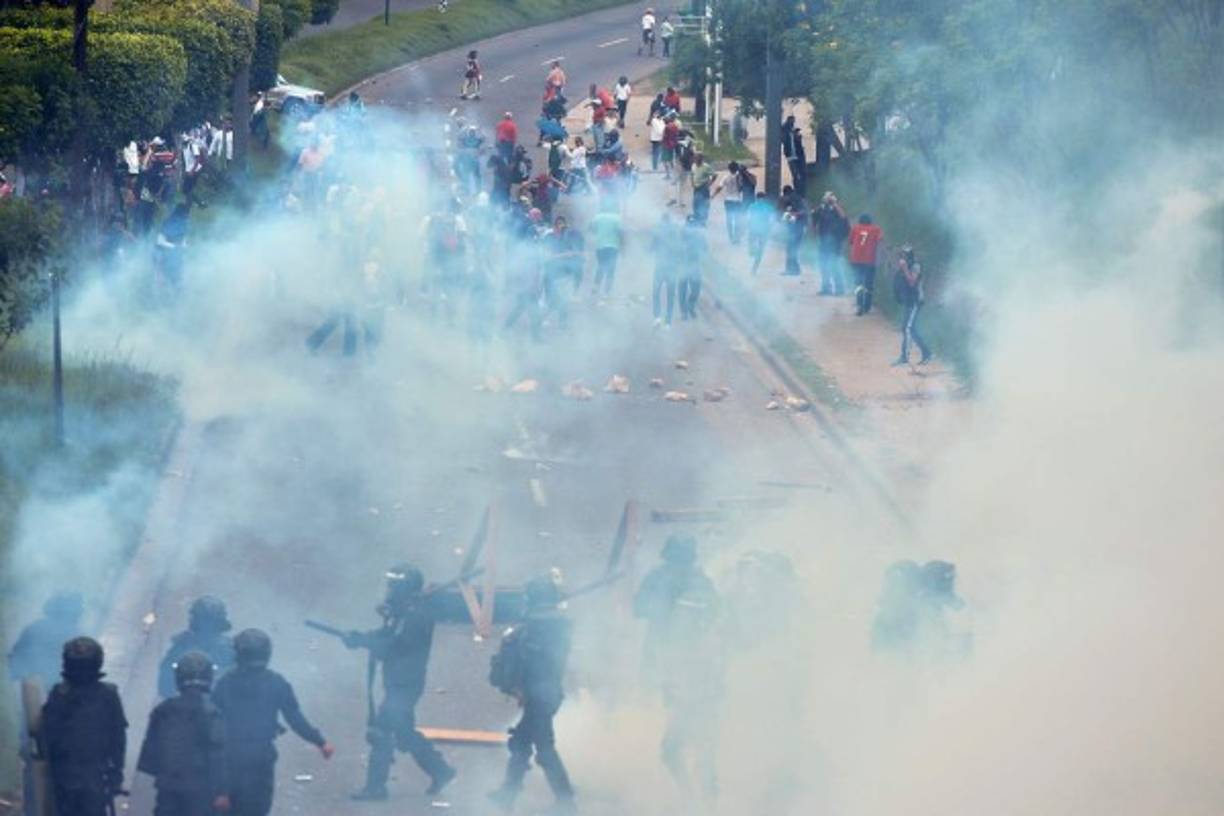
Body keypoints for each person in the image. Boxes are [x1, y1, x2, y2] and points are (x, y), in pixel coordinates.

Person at [345, 566, 457, 800]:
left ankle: (376, 788)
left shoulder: (416, 615)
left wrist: (364, 642)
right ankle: (441, 770)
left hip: (406, 683)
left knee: (381, 731)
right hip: (399, 680)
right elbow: (387, 635)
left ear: (404, 588)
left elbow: (393, 646)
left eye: (393, 585)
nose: (389, 590)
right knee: (404, 733)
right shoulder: (405, 610)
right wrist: (361, 637)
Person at [213, 630, 333, 815]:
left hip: (228, 760)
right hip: (261, 759)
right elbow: (295, 718)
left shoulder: (224, 684)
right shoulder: (276, 682)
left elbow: (210, 722)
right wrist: (320, 741)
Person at [487, 577, 575, 814]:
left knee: (544, 749)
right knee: (521, 743)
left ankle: (567, 803)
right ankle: (507, 794)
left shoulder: (531, 629)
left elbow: (517, 665)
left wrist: (515, 685)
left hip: (538, 697)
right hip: (547, 694)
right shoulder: (557, 626)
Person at [39, 637, 128, 816]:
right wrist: (116, 773)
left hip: (65, 776)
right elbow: (118, 738)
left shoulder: (59, 694)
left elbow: (46, 737)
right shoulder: (108, 695)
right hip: (92, 777)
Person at [137, 651, 229, 816]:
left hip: (168, 787)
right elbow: (218, 754)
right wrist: (222, 791)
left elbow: (149, 755)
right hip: (200, 791)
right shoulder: (212, 712)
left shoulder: (163, 709)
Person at [659, 583, 723, 800]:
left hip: (700, 705)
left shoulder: (707, 640)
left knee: (703, 760)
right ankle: (692, 801)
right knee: (673, 752)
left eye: (686, 612)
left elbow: (711, 676)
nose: (681, 616)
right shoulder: (682, 638)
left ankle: (703, 806)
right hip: (687, 703)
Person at [634, 535, 717, 687]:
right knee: (651, 687)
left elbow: (714, 609)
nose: (678, 566)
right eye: (675, 560)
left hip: (691, 647)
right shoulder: (655, 578)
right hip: (659, 643)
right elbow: (638, 606)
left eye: (683, 560)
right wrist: (660, 609)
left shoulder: (699, 580)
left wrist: (694, 610)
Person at [157, 596, 235, 700]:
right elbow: (165, 684)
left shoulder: (181, 644)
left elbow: (165, 686)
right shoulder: (230, 648)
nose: (206, 627)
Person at [7, 592, 85, 689]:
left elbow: (15, 658)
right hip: (43, 687)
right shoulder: (79, 636)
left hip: (31, 686)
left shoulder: (35, 627)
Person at [542, 215, 584, 329]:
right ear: (554, 226)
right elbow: (546, 256)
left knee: (564, 301)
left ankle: (562, 325)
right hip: (550, 274)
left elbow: (576, 253)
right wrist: (563, 255)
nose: (562, 228)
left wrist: (575, 254)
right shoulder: (548, 238)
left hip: (563, 275)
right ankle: (543, 319)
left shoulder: (566, 239)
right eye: (559, 225)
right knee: (551, 300)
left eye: (563, 226)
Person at [892, 245, 932, 365]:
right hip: (908, 301)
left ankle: (905, 357)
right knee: (909, 329)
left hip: (915, 301)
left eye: (904, 256)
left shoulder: (915, 266)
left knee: (908, 328)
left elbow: (912, 282)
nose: (902, 259)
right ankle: (927, 353)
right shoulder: (903, 267)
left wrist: (904, 269)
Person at [813, 191, 850, 295]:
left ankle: (840, 289)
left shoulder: (837, 209)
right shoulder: (822, 209)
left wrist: (834, 203)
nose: (828, 200)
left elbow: (843, 217)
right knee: (824, 265)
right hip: (824, 241)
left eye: (829, 198)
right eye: (826, 198)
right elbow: (814, 218)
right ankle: (826, 288)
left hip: (835, 242)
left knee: (835, 265)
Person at [848, 213, 883, 315]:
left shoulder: (855, 228)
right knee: (868, 284)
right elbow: (880, 240)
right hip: (870, 260)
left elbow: (850, 241)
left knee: (858, 284)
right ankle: (867, 306)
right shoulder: (876, 229)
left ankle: (859, 305)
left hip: (856, 260)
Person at [650, 212, 680, 326]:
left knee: (656, 292)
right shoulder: (675, 233)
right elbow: (679, 249)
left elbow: (651, 248)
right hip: (672, 267)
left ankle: (657, 317)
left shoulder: (658, 232)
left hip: (660, 267)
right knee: (670, 295)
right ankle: (668, 321)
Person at [588, 201, 623, 296]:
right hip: (613, 246)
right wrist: (623, 245)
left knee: (600, 267)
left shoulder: (598, 217)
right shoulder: (617, 218)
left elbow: (591, 228)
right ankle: (607, 292)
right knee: (611, 269)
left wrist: (598, 233)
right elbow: (621, 232)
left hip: (600, 246)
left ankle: (595, 289)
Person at [678, 216, 706, 320]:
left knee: (695, 290)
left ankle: (690, 307)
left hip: (694, 266)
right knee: (682, 290)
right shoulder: (681, 235)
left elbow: (705, 249)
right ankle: (684, 312)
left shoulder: (699, 236)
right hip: (683, 266)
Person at [745, 192, 774, 275]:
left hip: (753, 229)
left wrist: (748, 226)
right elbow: (771, 220)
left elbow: (748, 218)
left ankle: (753, 252)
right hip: (764, 231)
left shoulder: (751, 206)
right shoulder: (769, 207)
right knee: (761, 250)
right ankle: (754, 268)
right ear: (764, 198)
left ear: (756, 198)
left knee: (751, 246)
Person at [781, 201, 806, 277]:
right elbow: (784, 222)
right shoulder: (787, 215)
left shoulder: (796, 215)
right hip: (792, 235)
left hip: (795, 235)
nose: (788, 209)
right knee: (790, 251)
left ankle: (793, 269)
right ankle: (793, 269)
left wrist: (793, 214)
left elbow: (802, 213)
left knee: (792, 251)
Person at [690, 153, 715, 224]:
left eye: (698, 159)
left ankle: (703, 220)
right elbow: (692, 174)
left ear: (701, 159)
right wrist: (692, 182)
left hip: (703, 188)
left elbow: (714, 175)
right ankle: (697, 218)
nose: (696, 160)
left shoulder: (706, 167)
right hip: (696, 188)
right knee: (695, 204)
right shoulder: (693, 166)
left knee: (704, 204)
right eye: (695, 158)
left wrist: (709, 184)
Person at [661, 113, 679, 180]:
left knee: (665, 161)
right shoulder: (675, 126)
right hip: (672, 145)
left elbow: (664, 136)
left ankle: (668, 175)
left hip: (666, 145)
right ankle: (674, 175)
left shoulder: (667, 127)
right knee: (671, 161)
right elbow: (677, 134)